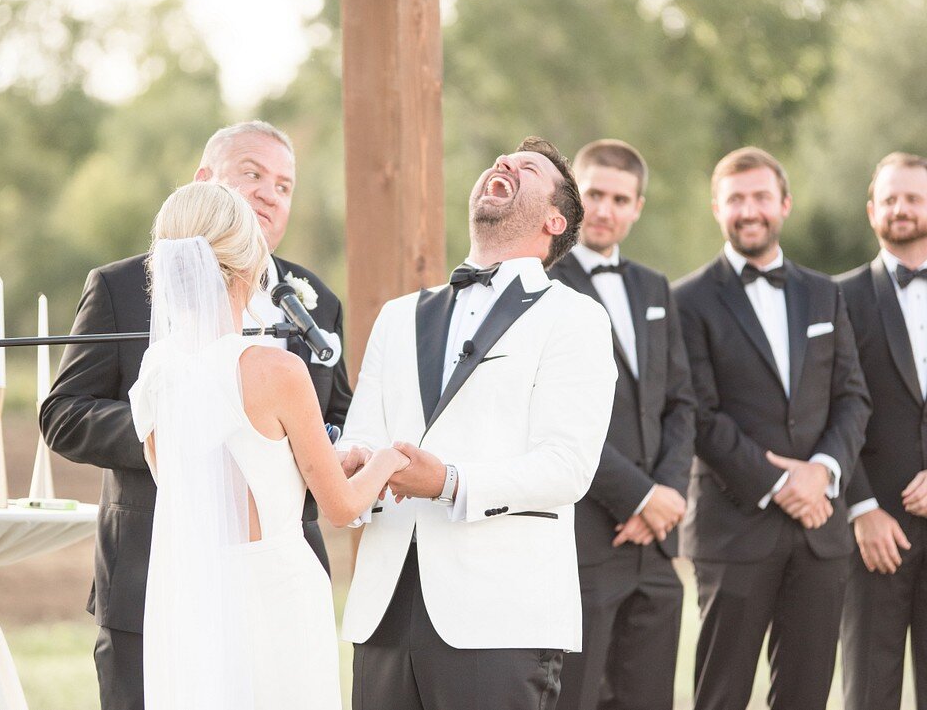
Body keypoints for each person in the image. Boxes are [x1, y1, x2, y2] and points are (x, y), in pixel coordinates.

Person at [38, 120, 352, 710]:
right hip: (155, 573)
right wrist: (182, 433)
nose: (269, 193)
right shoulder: (120, 287)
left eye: (284, 185)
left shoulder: (317, 298)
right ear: (204, 181)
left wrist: (335, 447)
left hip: (276, 586)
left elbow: (338, 412)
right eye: (253, 174)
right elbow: (64, 413)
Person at [339, 136, 618, 710]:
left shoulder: (576, 319)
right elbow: (364, 432)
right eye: (503, 159)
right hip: (385, 609)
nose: (505, 163)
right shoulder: (397, 316)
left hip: (501, 618)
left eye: (529, 167)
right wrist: (351, 463)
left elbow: (567, 467)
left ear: (553, 219)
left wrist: (447, 482)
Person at [130, 181, 407, 709]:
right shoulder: (275, 370)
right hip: (274, 593)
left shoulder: (156, 369)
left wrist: (317, 463)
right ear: (250, 265)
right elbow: (343, 507)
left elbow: (203, 483)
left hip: (195, 597)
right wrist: (386, 459)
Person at [673, 147, 870, 710]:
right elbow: (699, 414)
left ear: (784, 203)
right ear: (717, 208)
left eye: (761, 196)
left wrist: (822, 473)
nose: (749, 210)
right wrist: (782, 484)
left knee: (807, 695)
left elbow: (852, 397)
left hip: (820, 534)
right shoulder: (687, 301)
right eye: (736, 199)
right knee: (722, 695)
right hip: (733, 532)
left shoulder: (823, 292)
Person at [549, 139, 695, 710]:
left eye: (620, 198)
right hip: (585, 538)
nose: (606, 209)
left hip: (658, 546)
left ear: (637, 206)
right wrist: (638, 497)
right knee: (575, 698)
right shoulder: (546, 287)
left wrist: (669, 494)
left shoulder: (655, 287)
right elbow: (558, 416)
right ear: (572, 200)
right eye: (595, 195)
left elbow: (681, 403)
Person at [835, 152, 927, 710]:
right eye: (889, 198)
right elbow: (826, 410)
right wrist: (861, 507)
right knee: (869, 693)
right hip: (874, 536)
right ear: (872, 210)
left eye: (913, 197)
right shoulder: (836, 297)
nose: (901, 208)